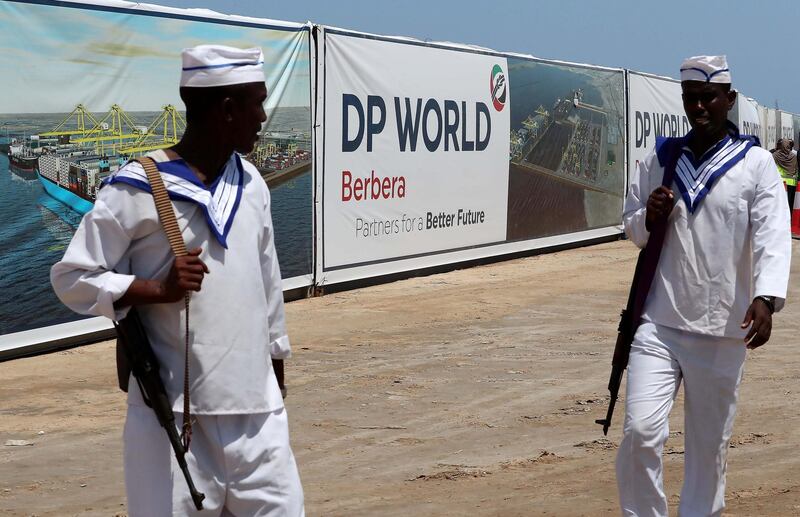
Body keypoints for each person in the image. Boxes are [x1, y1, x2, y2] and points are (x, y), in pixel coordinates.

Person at [51, 45, 304, 516]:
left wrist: (276, 367)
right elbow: (72, 278)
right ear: (227, 109)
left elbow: (268, 286)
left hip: (258, 415)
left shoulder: (251, 183)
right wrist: (155, 290)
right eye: (257, 103)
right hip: (173, 418)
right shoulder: (133, 187)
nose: (263, 117)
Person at [616, 55, 791, 517]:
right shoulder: (662, 157)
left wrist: (766, 297)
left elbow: (774, 234)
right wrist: (647, 218)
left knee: (708, 450)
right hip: (658, 323)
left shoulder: (755, 164)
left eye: (709, 98)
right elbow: (631, 225)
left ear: (728, 100)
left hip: (722, 331)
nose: (699, 108)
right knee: (639, 432)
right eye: (691, 99)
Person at [771, 137, 797, 209]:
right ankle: (790, 218)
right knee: (790, 203)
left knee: (780, 203)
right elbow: (795, 169)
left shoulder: (775, 155)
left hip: (780, 182)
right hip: (792, 183)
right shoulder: (793, 156)